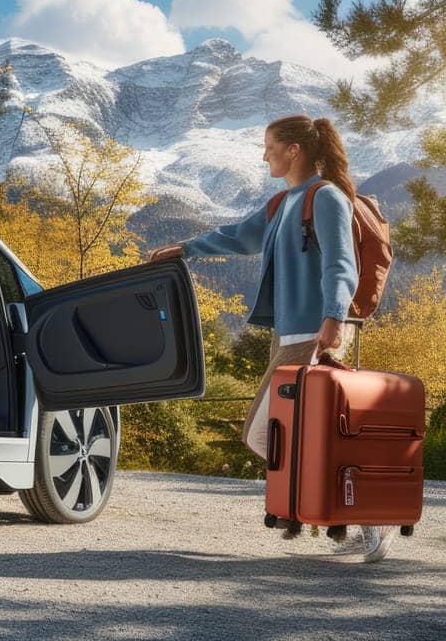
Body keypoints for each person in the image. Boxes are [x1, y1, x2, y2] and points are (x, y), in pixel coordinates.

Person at [148, 114, 397, 563]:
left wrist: (334, 319)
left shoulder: (325, 198)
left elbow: (342, 264)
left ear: (294, 150)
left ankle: (365, 514)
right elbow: (239, 237)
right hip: (289, 334)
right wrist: (187, 248)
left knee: (265, 432)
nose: (264, 154)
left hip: (313, 334)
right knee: (296, 434)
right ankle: (355, 513)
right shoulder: (284, 202)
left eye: (269, 146)